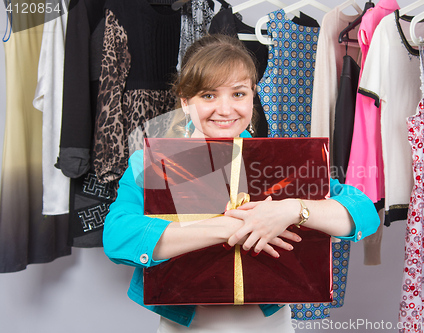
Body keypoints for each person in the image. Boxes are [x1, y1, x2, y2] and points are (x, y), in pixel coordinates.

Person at [103, 34, 380, 332]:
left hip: (268, 323)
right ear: (186, 102)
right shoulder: (152, 164)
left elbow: (363, 212)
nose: (225, 110)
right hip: (183, 325)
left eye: (238, 94)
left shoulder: (281, 161)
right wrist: (232, 227)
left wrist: (292, 209)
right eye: (208, 95)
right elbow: (118, 237)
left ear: (252, 96)